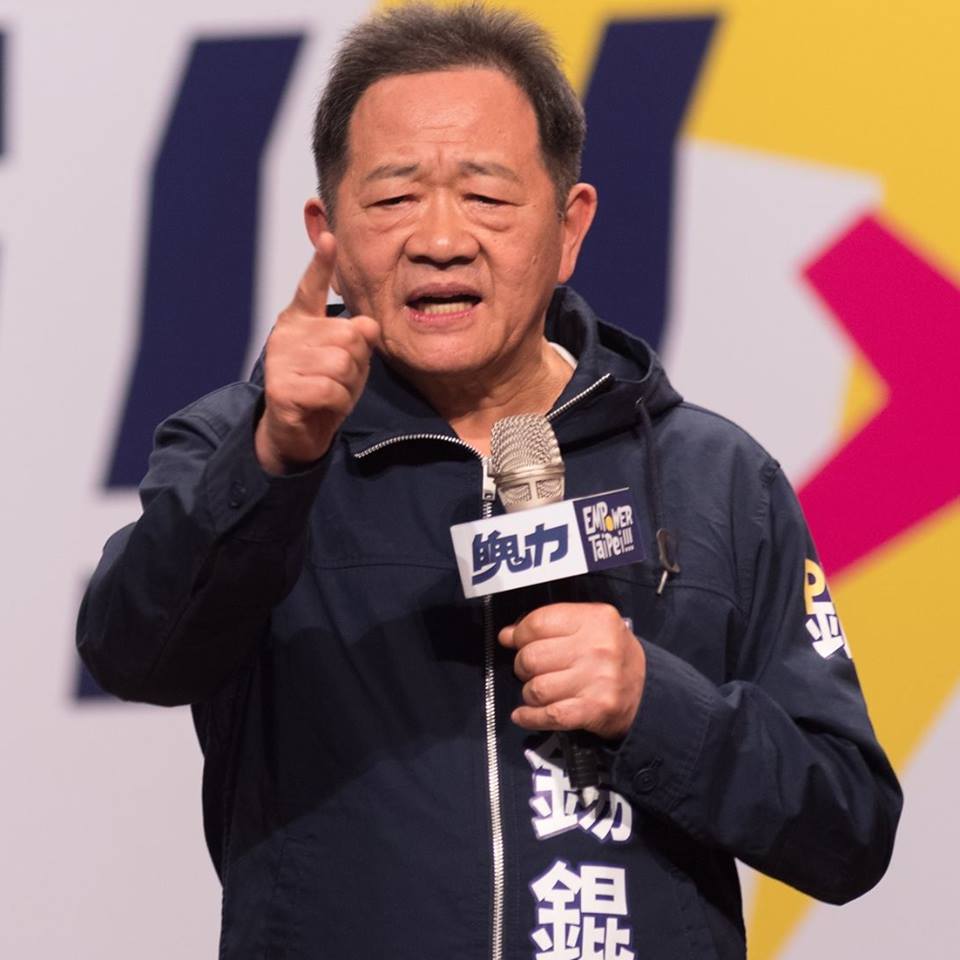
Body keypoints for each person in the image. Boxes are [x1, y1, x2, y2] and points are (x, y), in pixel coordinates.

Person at [77, 4, 901, 958]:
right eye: (393, 198)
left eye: (486, 196)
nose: (440, 238)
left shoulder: (714, 478)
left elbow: (850, 829)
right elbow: (133, 654)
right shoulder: (244, 445)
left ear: (569, 227)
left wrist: (658, 707)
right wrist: (275, 458)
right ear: (326, 232)